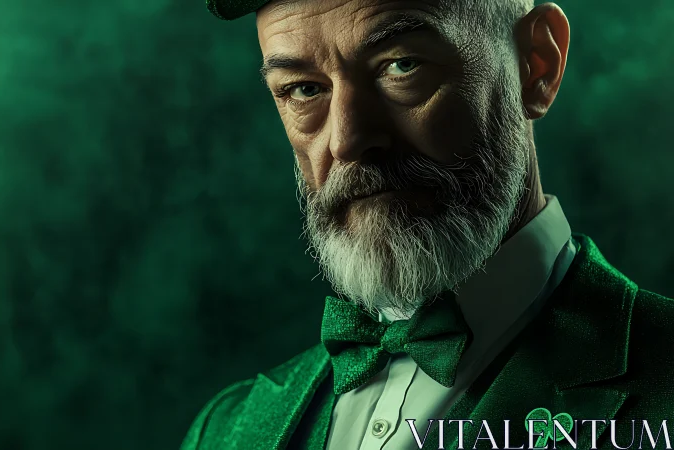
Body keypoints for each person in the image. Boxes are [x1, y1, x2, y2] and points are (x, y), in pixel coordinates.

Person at [182, 0, 674, 449]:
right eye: (304, 89)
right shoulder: (223, 431)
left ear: (535, 65)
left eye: (402, 65)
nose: (348, 140)